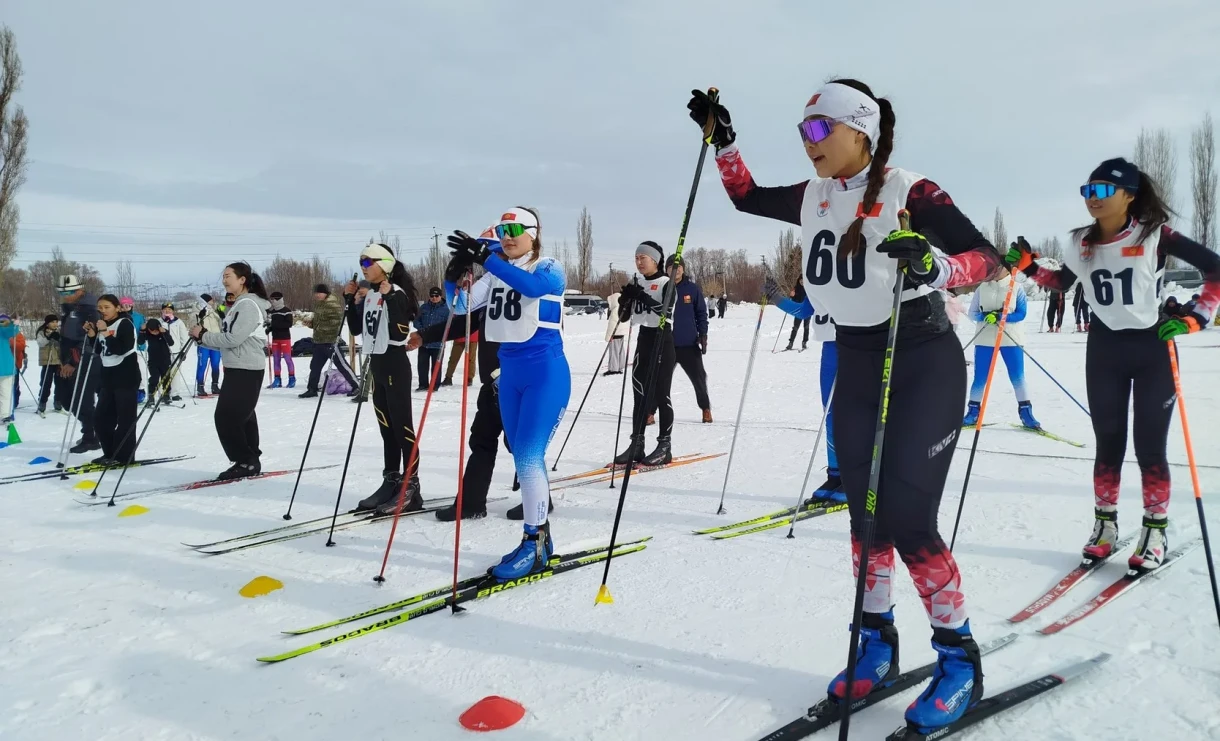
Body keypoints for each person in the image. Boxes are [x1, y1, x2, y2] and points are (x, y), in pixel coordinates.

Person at [691, 79, 1004, 732]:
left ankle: (959, 660)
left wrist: (936, 265)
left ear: (858, 128)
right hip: (859, 360)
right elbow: (746, 196)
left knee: (909, 515)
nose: (807, 144)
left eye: (816, 130)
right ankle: (878, 644)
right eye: (801, 132)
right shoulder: (813, 196)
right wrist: (724, 141)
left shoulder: (907, 191)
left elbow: (990, 258)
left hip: (921, 356)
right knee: (865, 517)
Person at [1005, 156, 1220, 572]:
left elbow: (1215, 269)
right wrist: (1030, 266)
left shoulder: (1156, 234)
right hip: (1104, 348)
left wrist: (1197, 315)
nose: (1093, 199)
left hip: (1152, 345)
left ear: (1129, 195)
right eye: (1088, 190)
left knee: (1149, 445)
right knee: (1108, 440)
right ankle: (1105, 526)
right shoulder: (1080, 241)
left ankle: (1155, 528)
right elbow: (1063, 283)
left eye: (1103, 190)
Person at [444, 206, 571, 579]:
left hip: (545, 374)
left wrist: (487, 258)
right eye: (502, 230)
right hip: (509, 376)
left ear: (534, 232)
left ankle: (532, 543)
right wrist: (454, 277)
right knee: (522, 460)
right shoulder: (495, 273)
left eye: (516, 228)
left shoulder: (548, 267)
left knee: (530, 458)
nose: (508, 235)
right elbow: (460, 306)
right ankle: (541, 539)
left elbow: (531, 288)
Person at [344, 244, 425, 513]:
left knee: (402, 429)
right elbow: (357, 330)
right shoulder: (371, 294)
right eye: (361, 261)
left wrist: (389, 298)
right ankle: (390, 481)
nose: (364, 266)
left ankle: (411, 486)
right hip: (377, 366)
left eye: (369, 261)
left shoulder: (397, 293)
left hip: (395, 364)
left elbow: (401, 332)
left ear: (386, 264)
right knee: (386, 429)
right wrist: (351, 302)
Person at [191, 263, 271, 480]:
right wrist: (202, 338)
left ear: (242, 279)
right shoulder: (238, 304)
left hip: (246, 368)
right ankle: (249, 459)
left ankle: (245, 460)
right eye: (223, 277)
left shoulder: (247, 305)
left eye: (228, 276)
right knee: (243, 417)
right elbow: (230, 342)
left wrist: (204, 335)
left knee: (226, 417)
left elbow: (233, 339)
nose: (225, 280)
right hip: (238, 366)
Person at [613, 241, 678, 467]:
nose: (639, 262)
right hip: (644, 340)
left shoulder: (666, 283)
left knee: (662, 395)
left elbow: (666, 312)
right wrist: (626, 301)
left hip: (663, 340)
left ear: (656, 260)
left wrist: (642, 297)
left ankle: (664, 446)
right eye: (637, 258)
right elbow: (623, 318)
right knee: (639, 395)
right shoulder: (637, 282)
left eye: (644, 257)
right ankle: (637, 445)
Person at [962, 268, 1040, 429]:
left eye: (999, 267)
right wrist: (984, 316)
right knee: (980, 378)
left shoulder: (1016, 287)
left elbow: (1021, 313)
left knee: (1017, 376)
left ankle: (1026, 413)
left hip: (1010, 337)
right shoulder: (982, 287)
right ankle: (973, 412)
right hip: (985, 338)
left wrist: (1001, 317)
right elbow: (972, 313)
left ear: (1007, 269)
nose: (995, 270)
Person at [84, 295, 140, 464]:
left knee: (125, 421)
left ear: (117, 307)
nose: (103, 311)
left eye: (107, 307)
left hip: (126, 377)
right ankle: (110, 453)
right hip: (108, 378)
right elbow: (102, 350)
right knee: (100, 419)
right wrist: (93, 335)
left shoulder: (124, 324)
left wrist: (104, 333)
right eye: (100, 307)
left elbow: (122, 348)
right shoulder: (104, 325)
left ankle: (124, 457)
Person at [57, 274, 102, 454]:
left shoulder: (89, 309)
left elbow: (86, 339)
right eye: (63, 292)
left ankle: (91, 436)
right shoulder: (69, 308)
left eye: (70, 291)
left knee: (81, 400)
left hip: (85, 360)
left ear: (80, 290)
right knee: (65, 398)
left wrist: (72, 362)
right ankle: (93, 430)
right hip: (68, 360)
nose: (65, 295)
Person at [667, 254, 713, 423]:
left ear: (683, 269)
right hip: (667, 344)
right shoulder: (663, 288)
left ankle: (705, 409)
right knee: (659, 380)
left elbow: (701, 313)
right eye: (672, 267)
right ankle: (650, 411)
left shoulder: (692, 289)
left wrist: (703, 335)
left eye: (678, 267)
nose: (676, 270)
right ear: (667, 270)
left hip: (689, 344)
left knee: (699, 378)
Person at [300, 283, 357, 398]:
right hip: (318, 341)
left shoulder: (332, 304)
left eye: (319, 293)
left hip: (331, 341)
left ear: (325, 293)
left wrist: (322, 328)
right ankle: (312, 389)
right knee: (315, 366)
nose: (316, 295)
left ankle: (356, 386)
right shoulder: (319, 305)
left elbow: (337, 322)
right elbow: (319, 321)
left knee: (342, 365)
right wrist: (311, 323)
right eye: (315, 293)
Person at [414, 286, 450, 391]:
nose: (434, 298)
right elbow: (416, 320)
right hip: (424, 342)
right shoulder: (424, 307)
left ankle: (434, 385)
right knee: (422, 365)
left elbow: (450, 324)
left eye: (436, 296)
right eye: (432, 296)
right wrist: (422, 330)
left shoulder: (447, 309)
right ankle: (423, 384)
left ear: (440, 296)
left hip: (438, 343)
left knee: (436, 366)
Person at [140, 317, 175, 408]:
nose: (154, 333)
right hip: (153, 360)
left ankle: (166, 395)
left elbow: (171, 343)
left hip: (165, 359)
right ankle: (151, 396)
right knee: (154, 378)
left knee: (166, 377)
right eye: (152, 331)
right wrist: (142, 331)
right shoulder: (147, 333)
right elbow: (140, 342)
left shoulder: (163, 332)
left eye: (156, 331)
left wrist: (164, 332)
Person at [265, 291, 296, 389]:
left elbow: (288, 324)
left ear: (278, 299)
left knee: (287, 358)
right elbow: (273, 324)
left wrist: (274, 325)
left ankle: (292, 378)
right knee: (276, 359)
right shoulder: (273, 312)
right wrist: (269, 328)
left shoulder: (286, 310)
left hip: (285, 338)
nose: (272, 301)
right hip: (275, 338)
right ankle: (277, 379)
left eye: (273, 299)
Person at [160, 303, 190, 401]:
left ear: (172, 311)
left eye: (169, 309)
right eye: (165, 309)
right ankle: (165, 393)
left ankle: (175, 393)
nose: (167, 311)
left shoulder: (178, 322)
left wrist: (183, 351)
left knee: (175, 374)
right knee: (164, 373)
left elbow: (184, 337)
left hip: (176, 351)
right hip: (163, 352)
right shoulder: (159, 322)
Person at [35, 314, 63, 415]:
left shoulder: (60, 331)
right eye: (52, 322)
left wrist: (60, 339)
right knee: (46, 383)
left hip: (58, 361)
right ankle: (41, 405)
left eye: (56, 321)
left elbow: (63, 344)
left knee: (60, 384)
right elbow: (41, 343)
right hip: (47, 362)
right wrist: (49, 337)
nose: (55, 324)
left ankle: (58, 404)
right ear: (47, 323)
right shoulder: (42, 332)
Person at [196, 294, 223, 396]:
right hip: (204, 343)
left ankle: (215, 386)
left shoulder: (214, 311)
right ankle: (200, 386)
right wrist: (200, 317)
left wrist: (221, 316)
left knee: (215, 365)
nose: (213, 302)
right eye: (211, 300)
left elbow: (220, 325)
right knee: (202, 365)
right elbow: (194, 324)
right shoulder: (198, 310)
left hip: (216, 342)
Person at [604, 291, 628, 375]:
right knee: (620, 350)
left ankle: (613, 369)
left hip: (615, 334)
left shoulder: (615, 310)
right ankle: (620, 365)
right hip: (621, 333)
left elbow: (612, 325)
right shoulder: (623, 308)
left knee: (614, 351)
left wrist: (608, 337)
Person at [786, 278, 812, 350]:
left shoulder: (809, 289)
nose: (802, 282)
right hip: (799, 311)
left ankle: (804, 342)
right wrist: (791, 296)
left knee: (806, 327)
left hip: (807, 310)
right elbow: (793, 300)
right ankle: (790, 343)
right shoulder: (796, 289)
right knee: (795, 327)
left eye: (803, 281)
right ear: (798, 281)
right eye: (801, 281)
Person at [0, 314, 17, 424]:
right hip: (6, 367)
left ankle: (5, 415)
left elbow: (11, 331)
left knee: (5, 393)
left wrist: (13, 324)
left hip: (6, 368)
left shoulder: (3, 331)